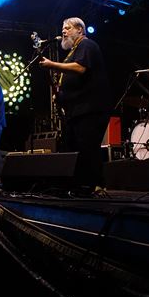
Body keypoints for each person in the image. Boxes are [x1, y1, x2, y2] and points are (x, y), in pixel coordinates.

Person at [39, 17, 111, 193]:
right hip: (77, 110)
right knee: (74, 148)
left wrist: (52, 65)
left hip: (89, 109)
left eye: (68, 28)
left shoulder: (87, 45)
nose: (63, 31)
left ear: (80, 30)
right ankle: (79, 185)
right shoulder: (73, 51)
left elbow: (80, 68)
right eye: (63, 28)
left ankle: (96, 186)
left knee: (88, 147)